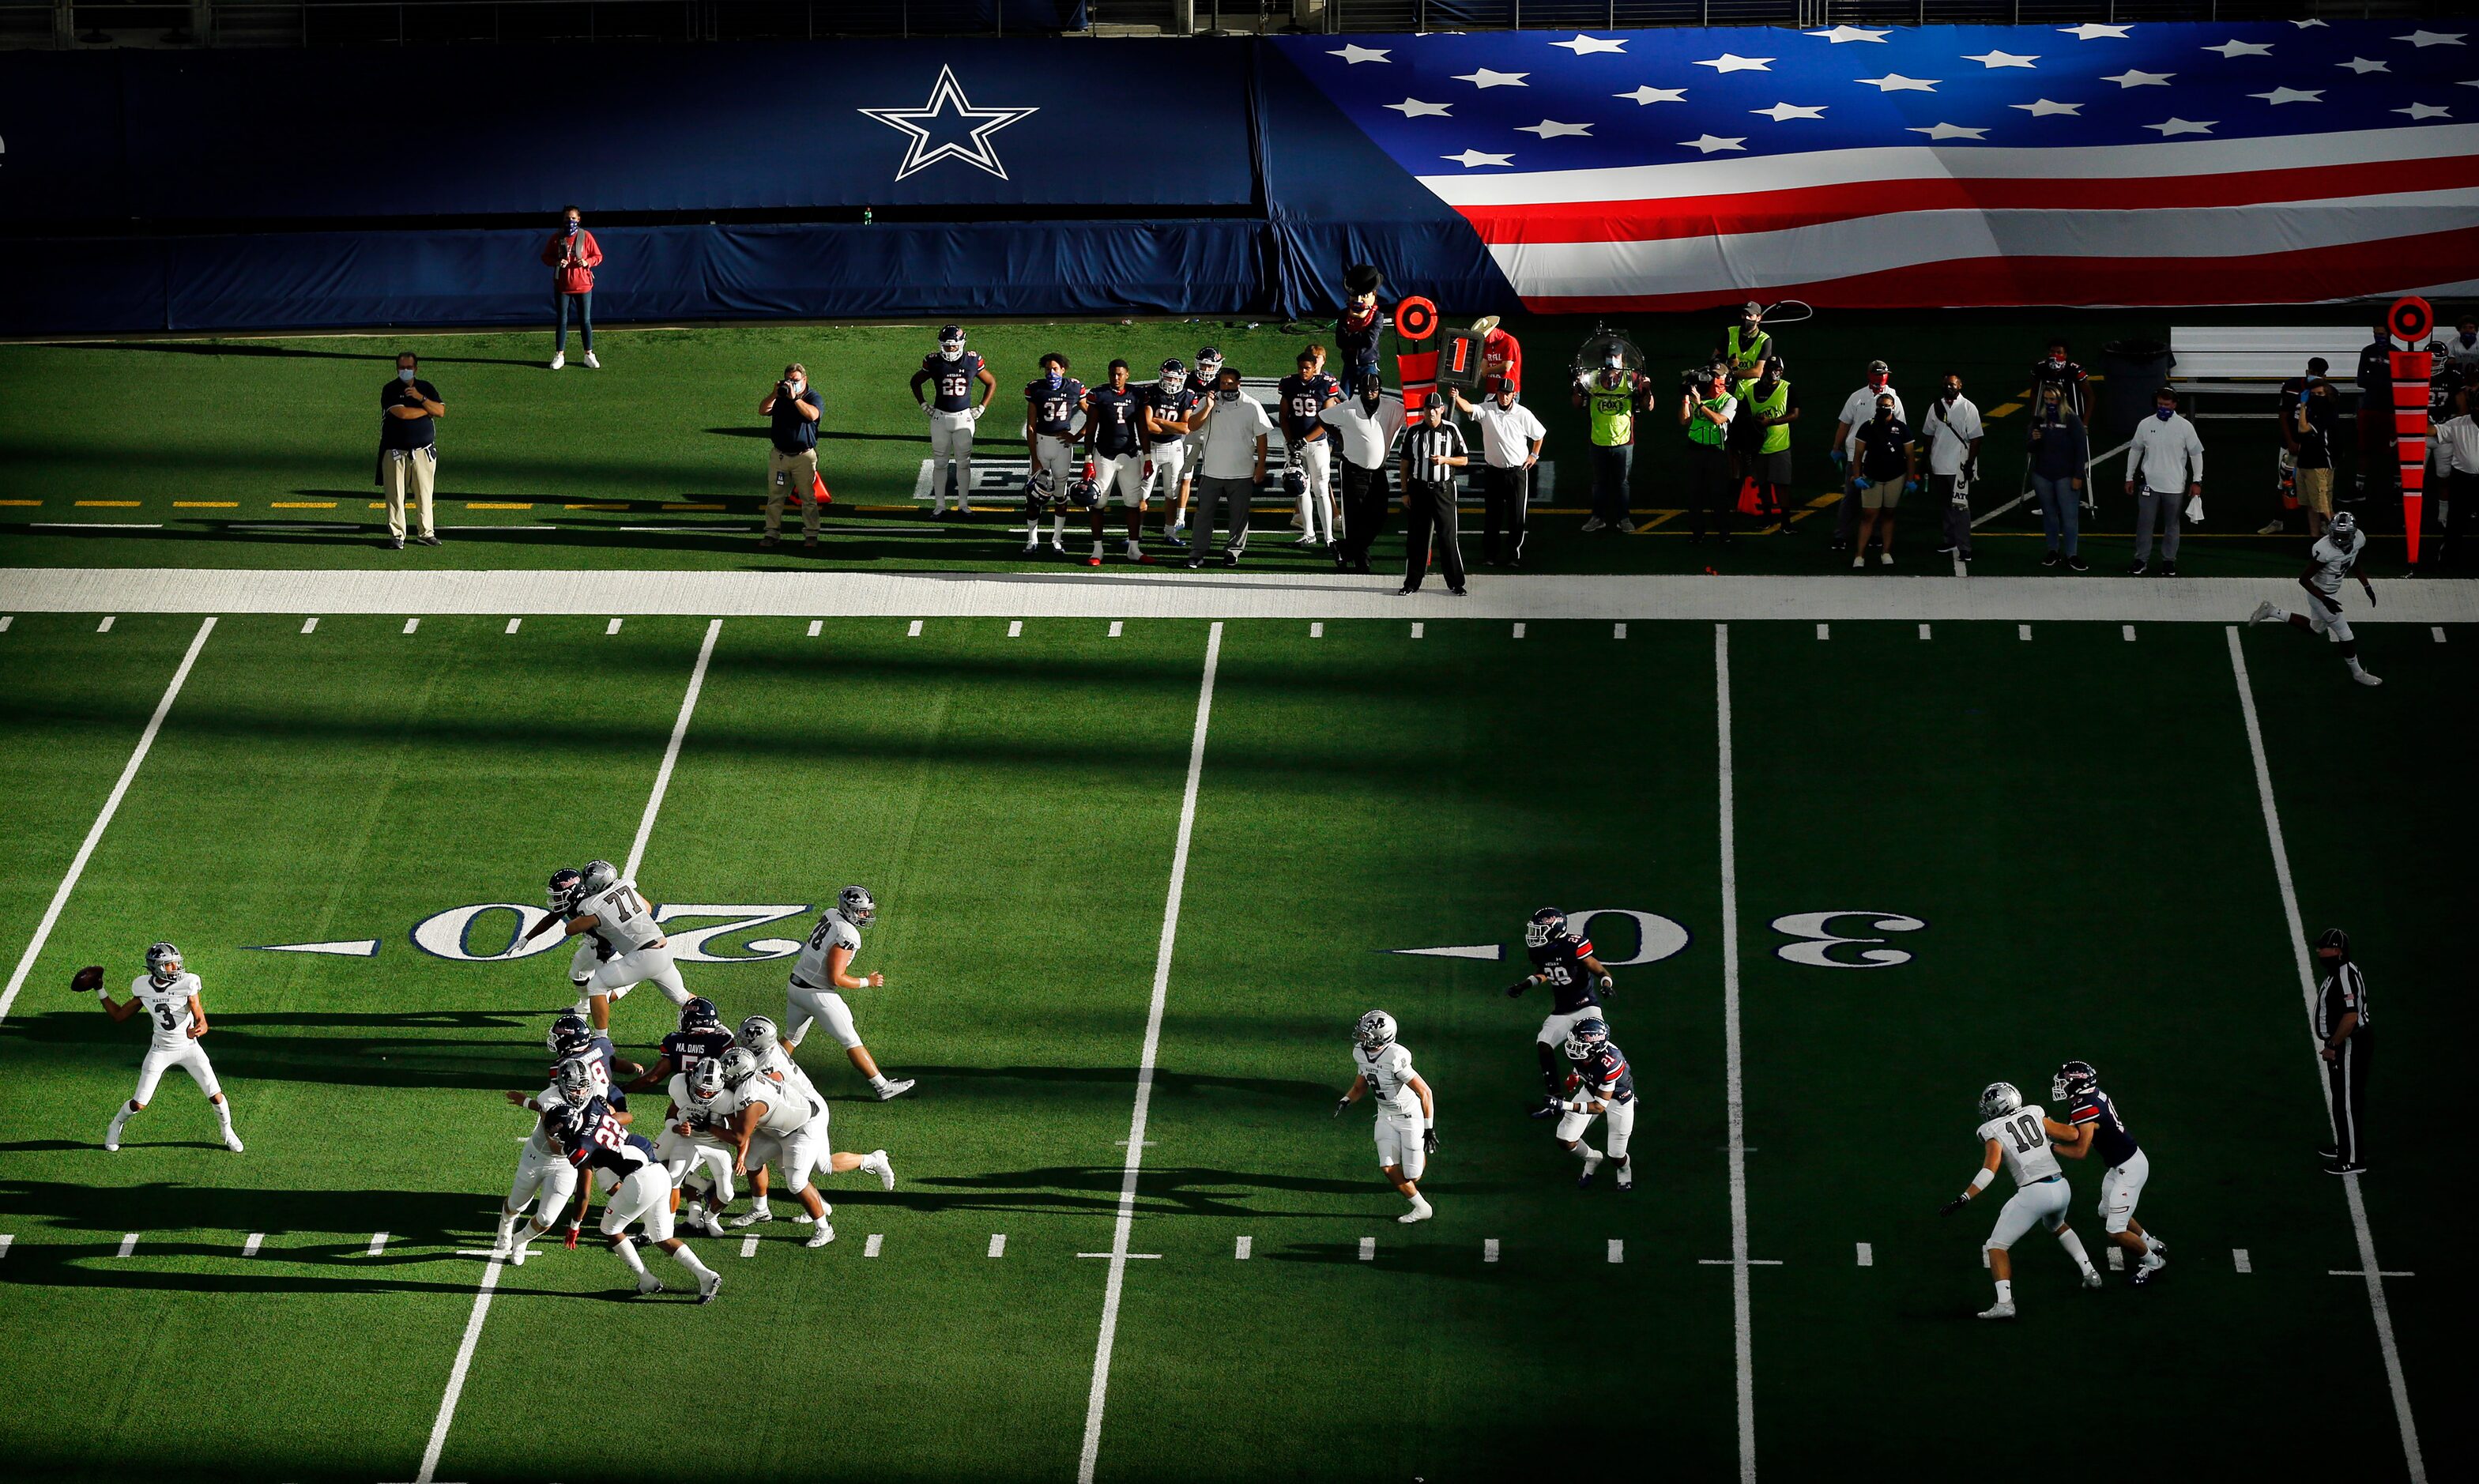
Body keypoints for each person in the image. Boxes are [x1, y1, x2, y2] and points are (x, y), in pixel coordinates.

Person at [1938, 1081, 2103, 1320]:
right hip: (2061, 1186)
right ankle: (2091, 1273)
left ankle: (2005, 1303)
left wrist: (1965, 1197)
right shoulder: (2034, 1112)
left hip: (2034, 1193)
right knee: (2057, 1225)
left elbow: (1990, 1170)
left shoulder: (1992, 1129)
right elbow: (2073, 1134)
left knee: (1996, 1246)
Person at [712, 1047, 891, 1250]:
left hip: (802, 1128)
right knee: (752, 1161)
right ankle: (760, 1209)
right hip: (780, 1126)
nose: (724, 1078)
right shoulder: (751, 1081)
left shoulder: (749, 1096)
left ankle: (825, 1229)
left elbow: (739, 1136)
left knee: (800, 1180)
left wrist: (707, 1127)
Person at [556, 1087, 723, 1300]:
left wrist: (574, 1226)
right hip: (658, 1171)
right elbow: (622, 1115)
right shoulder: (594, 1111)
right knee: (662, 1237)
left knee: (609, 1228)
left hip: (641, 1178)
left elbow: (584, 1192)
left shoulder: (580, 1144)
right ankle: (707, 1276)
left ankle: (646, 1280)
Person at [81, 943, 243, 1154]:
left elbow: (200, 1017)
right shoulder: (143, 987)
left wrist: (200, 1028)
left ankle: (228, 1131)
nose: (176, 967)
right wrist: (99, 988)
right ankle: (115, 1125)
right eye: (170, 964)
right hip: (160, 1050)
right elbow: (119, 1016)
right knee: (139, 1104)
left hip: (189, 1049)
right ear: (157, 967)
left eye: (176, 962)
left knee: (216, 1095)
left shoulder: (188, 983)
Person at [521, 861, 691, 1028]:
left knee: (597, 986)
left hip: (635, 954)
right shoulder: (624, 888)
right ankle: (715, 1025)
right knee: (682, 997)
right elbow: (647, 908)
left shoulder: (593, 906)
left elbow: (570, 929)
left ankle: (601, 1039)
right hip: (662, 948)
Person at [782, 886, 914, 1100]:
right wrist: (867, 982)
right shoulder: (848, 934)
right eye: (862, 911)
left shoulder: (830, 913)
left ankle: (761, 1077)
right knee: (851, 1040)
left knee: (791, 1038)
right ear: (850, 909)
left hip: (796, 985)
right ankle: (883, 1087)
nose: (867, 915)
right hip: (817, 993)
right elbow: (837, 978)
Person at [2045, 1061, 2167, 1286]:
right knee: (2105, 1211)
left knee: (2115, 1230)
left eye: (2065, 1082)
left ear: (2077, 1084)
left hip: (2129, 1169)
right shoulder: (2092, 1097)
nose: (2061, 1085)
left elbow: (2081, 1149)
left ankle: (2153, 1262)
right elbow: (2076, 1131)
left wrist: (2051, 1146)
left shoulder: (2085, 1106)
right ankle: (2149, 1242)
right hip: (2123, 1164)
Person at [2247, 510, 2382, 686]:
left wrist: (2366, 585)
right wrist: (2325, 600)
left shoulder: (2358, 540)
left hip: (2329, 594)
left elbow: (2352, 560)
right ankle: (2357, 673)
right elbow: (2303, 579)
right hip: (2320, 594)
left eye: (2344, 535)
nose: (2340, 540)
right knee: (2346, 635)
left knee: (2315, 629)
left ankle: (2271, 610)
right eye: (2338, 535)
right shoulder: (2324, 550)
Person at [1508, 908, 1617, 1111]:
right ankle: (1554, 1098)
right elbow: (1545, 972)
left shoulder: (1574, 946)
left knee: (1601, 1048)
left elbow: (1599, 969)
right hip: (1563, 1009)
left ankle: (1620, 1090)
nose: (1535, 934)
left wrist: (1606, 983)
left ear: (1555, 929)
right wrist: (1524, 985)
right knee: (1544, 1043)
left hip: (1586, 1006)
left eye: (1540, 929)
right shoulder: (1539, 950)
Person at [1333, 1010, 1436, 1224]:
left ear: (1380, 1037)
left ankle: (1414, 1158)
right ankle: (1422, 1207)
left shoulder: (1395, 1057)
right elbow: (1360, 1087)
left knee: (1413, 1175)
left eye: (1366, 1034)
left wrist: (1428, 1128)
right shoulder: (1360, 1053)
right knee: (1388, 1168)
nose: (1361, 1037)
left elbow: (1425, 1092)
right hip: (1385, 1115)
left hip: (1409, 1117)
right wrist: (1346, 1100)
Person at [1449, 381, 1544, 567]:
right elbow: (1469, 409)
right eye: (1502, 393)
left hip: (1517, 472)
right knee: (1493, 515)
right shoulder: (1488, 409)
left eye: (1508, 393)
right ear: (1497, 393)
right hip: (1493, 472)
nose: (1505, 396)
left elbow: (1539, 435)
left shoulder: (1523, 414)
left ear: (1514, 394)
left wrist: (1534, 455)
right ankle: (1489, 555)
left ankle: (1513, 555)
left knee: (1516, 516)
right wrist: (1456, 397)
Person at [1187, 363, 1271, 570]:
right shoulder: (1210, 402)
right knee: (1203, 514)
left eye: (1230, 383)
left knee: (1239, 516)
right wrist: (1207, 407)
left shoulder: (1252, 405)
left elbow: (1261, 436)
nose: (1226, 387)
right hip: (1211, 470)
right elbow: (1192, 425)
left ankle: (1233, 552)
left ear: (1239, 384)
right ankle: (1198, 552)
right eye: (1223, 383)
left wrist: (1261, 466)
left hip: (1241, 471)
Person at [1320, 370, 1405, 574]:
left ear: (1380, 390)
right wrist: (1339, 438)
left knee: (1379, 515)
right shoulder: (1348, 408)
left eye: (1374, 390)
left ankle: (1345, 549)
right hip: (1353, 470)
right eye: (1366, 390)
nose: (1370, 394)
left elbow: (1414, 412)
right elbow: (1322, 417)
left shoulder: (1392, 407)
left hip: (1378, 472)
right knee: (1356, 517)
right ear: (1360, 390)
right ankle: (1360, 560)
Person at [911, 326, 995, 516]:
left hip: (964, 418)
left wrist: (982, 406)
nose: (949, 350)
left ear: (962, 344)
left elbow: (991, 382)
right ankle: (940, 506)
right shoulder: (933, 361)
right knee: (940, 463)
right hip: (940, 417)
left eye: (953, 346)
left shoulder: (972, 360)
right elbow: (915, 381)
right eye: (946, 347)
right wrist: (923, 404)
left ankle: (963, 505)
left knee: (964, 463)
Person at [2124, 386, 2204, 577]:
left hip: (2174, 486)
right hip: (2149, 485)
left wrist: (2197, 481)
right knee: (2145, 524)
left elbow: (2196, 454)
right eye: (2160, 404)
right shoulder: (2145, 424)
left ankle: (2169, 562)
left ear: (2174, 405)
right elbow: (2135, 450)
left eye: (2167, 405)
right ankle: (2141, 560)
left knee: (2172, 526)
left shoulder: (2185, 427)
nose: (2163, 408)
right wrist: (2129, 476)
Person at [2311, 928, 2372, 1175]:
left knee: (2347, 1102)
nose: (2318, 951)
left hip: (2349, 1044)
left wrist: (2333, 1045)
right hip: (2347, 1044)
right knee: (2341, 1099)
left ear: (2337, 950)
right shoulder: (2340, 971)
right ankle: (2346, 1146)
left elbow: (2350, 1017)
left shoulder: (2344, 975)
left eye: (2323, 947)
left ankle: (2353, 1160)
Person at [1550, 1019, 1637, 1191]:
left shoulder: (1611, 1063)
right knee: (1565, 1139)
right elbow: (1582, 1063)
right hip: (1592, 1088)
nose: (1572, 1047)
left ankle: (1624, 1169)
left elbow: (1598, 1106)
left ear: (1594, 1047)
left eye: (1579, 1044)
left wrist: (1565, 1105)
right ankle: (1592, 1158)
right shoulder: (1583, 1052)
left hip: (1618, 1099)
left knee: (1616, 1155)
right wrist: (1575, 1075)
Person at [1081, 359, 1152, 567]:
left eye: (1120, 374)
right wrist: (1087, 459)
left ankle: (1134, 549)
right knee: (1098, 502)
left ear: (1127, 374)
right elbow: (1091, 428)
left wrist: (1147, 457)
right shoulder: (1100, 395)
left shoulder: (1136, 395)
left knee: (1133, 503)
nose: (1116, 378)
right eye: (1112, 374)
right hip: (1104, 455)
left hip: (1129, 454)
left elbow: (1142, 428)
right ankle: (1097, 549)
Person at [1396, 402, 1469, 595]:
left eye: (1436, 408)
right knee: (1416, 538)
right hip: (1419, 490)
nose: (1432, 412)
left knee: (1447, 537)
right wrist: (1404, 492)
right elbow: (1404, 464)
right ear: (1424, 411)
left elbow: (1464, 459)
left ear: (1442, 410)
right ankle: (1412, 582)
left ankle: (1456, 583)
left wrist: (1446, 460)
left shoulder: (1451, 429)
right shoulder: (1413, 431)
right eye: (1429, 408)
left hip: (1443, 490)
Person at [1574, 348, 1648, 533]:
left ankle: (1623, 519)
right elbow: (1576, 403)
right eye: (1610, 356)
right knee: (1599, 482)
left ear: (1623, 358)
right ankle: (1597, 518)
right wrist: (1576, 387)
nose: (1613, 360)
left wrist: (1647, 390)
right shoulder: (1591, 378)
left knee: (1622, 483)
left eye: (1616, 356)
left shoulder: (1632, 378)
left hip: (1623, 442)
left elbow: (1649, 405)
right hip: (1598, 440)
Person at [1832, 360, 1903, 549]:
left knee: (1879, 499)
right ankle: (1841, 536)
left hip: (1882, 457)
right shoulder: (1857, 397)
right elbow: (1844, 424)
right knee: (1851, 498)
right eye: (1879, 375)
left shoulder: (1893, 399)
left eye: (1884, 375)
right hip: (1856, 456)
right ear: (1870, 375)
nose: (1882, 378)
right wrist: (1836, 448)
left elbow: (1901, 428)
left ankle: (1876, 536)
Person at [1276, 346, 1343, 547]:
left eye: (1307, 368)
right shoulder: (1289, 384)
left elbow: (1326, 419)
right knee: (1301, 488)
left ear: (1315, 367)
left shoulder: (1325, 385)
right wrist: (1290, 442)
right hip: (1295, 444)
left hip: (1317, 444)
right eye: (1300, 368)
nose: (1303, 371)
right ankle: (1309, 534)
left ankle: (1329, 537)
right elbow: (1283, 417)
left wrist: (1304, 440)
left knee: (1321, 488)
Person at [377, 351, 443, 551]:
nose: (405, 371)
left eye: (409, 367)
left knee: (425, 494)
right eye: (402, 367)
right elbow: (402, 414)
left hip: (423, 453)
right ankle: (397, 535)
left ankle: (426, 533)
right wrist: (426, 410)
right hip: (396, 452)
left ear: (416, 368)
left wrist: (421, 398)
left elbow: (440, 411)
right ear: (397, 369)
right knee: (395, 495)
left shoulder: (426, 388)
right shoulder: (390, 389)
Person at [1022, 352, 1086, 558]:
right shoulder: (1036, 389)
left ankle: (1057, 539)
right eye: (1048, 369)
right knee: (1034, 495)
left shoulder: (1074, 387)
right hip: (1041, 442)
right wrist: (1035, 458)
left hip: (1062, 446)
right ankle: (1032, 539)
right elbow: (1031, 425)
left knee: (1060, 494)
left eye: (1055, 369)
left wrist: (1076, 437)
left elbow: (1093, 415)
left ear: (1063, 370)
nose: (1051, 373)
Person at [2264, 355, 2332, 535]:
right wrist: (2291, 442)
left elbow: (2327, 424)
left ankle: (2326, 523)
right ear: (2307, 371)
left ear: (2324, 376)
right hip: (2292, 443)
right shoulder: (2291, 387)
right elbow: (2284, 416)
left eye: (2319, 373)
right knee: (2284, 483)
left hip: (2315, 447)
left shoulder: (2327, 393)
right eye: (2312, 372)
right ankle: (2278, 521)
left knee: (2320, 486)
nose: (2314, 375)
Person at [758, 363, 823, 552]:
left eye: (795, 381)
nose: (791, 384)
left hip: (803, 457)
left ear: (805, 380)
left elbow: (812, 415)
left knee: (808, 498)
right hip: (780, 456)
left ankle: (811, 534)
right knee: (775, 496)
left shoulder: (813, 397)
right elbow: (763, 410)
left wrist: (795, 399)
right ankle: (771, 533)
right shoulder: (780, 397)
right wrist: (774, 393)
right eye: (789, 380)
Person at [1921, 372, 1985, 563]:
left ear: (1960, 386)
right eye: (1947, 384)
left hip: (1958, 466)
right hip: (1939, 464)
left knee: (1960, 506)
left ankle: (1965, 547)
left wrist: (1969, 464)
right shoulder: (1935, 407)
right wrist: (1925, 461)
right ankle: (1949, 540)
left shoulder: (1968, 407)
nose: (1949, 387)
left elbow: (1976, 438)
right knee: (1945, 506)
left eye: (1953, 384)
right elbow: (1928, 435)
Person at [1730, 356, 1798, 534]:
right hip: (1758, 447)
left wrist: (1772, 421)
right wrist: (1754, 424)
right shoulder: (1751, 391)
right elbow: (1742, 417)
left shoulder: (1787, 388)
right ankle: (1767, 518)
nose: (1773, 372)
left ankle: (1785, 522)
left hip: (1779, 446)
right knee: (1763, 484)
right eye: (1770, 368)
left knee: (1782, 485)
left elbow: (1794, 414)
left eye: (1777, 369)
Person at [1848, 392, 1916, 567]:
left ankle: (1886, 552)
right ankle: (1860, 555)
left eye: (1887, 406)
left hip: (1895, 477)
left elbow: (1909, 455)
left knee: (1889, 513)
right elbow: (1858, 455)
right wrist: (1857, 476)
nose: (1884, 409)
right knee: (1868, 515)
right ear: (1876, 408)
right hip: (1872, 476)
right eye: (1881, 406)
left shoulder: (1901, 428)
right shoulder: (1867, 427)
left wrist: (1910, 479)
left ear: (1893, 407)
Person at [1140, 358, 1204, 540]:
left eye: (1175, 379)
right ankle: (1137, 533)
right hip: (1152, 448)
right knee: (1143, 494)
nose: (1171, 382)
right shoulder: (1151, 392)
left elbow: (1185, 428)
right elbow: (1147, 426)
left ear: (1182, 379)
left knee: (1171, 493)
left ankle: (1170, 532)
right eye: (1168, 378)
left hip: (1174, 449)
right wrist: (1172, 426)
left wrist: (1159, 421)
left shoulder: (1188, 395)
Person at [2026, 383, 2088, 570]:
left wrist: (2078, 475)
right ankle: (2053, 550)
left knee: (2069, 517)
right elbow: (2030, 448)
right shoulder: (2039, 420)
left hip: (2065, 475)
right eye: (2046, 399)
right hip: (2043, 474)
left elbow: (2081, 449)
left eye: (2052, 399)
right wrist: (2035, 440)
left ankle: (2072, 554)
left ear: (2060, 399)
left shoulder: (2071, 419)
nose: (2049, 402)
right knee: (2049, 515)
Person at [1168, 346, 1224, 547]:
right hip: (1191, 432)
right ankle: (1180, 517)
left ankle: (1207, 516)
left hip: (1213, 433)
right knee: (1185, 476)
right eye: (1203, 365)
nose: (1206, 369)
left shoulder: (1222, 382)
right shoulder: (1188, 379)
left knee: (1212, 478)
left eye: (1210, 365)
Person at [1677, 363, 1738, 544]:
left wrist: (1700, 404)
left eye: (1718, 377)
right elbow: (1684, 420)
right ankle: (1697, 533)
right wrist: (1686, 401)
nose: (1715, 380)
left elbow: (1719, 420)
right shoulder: (1699, 395)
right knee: (1695, 494)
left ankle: (1724, 532)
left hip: (1716, 452)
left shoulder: (1729, 400)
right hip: (1695, 449)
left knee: (1718, 494)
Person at [542, 205, 601, 371]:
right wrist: (556, 262)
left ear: (579, 219)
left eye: (574, 218)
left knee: (585, 320)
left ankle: (588, 354)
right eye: (568, 218)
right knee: (562, 320)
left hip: (583, 286)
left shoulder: (586, 236)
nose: (571, 222)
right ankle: (559, 355)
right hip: (563, 286)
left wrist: (588, 262)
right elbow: (545, 257)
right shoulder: (557, 238)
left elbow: (598, 256)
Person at [2428, 383, 2477, 571]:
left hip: (2468, 478)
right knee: (2456, 522)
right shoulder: (2458, 424)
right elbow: (2433, 431)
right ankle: (2449, 557)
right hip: (2462, 479)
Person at [2288, 376, 2343, 540]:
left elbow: (2303, 429)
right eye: (2314, 395)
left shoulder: (2328, 413)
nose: (2317, 398)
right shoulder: (2310, 412)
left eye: (2320, 394)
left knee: (2324, 506)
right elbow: (2297, 434)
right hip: (2305, 463)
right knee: (2310, 506)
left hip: (2320, 465)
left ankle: (2344, 537)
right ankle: (2314, 539)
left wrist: (2304, 405)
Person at [2353, 311, 2396, 507]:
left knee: (2391, 450)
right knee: (2364, 448)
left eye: (2381, 334)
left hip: (2389, 410)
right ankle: (2358, 488)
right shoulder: (2367, 351)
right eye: (2375, 334)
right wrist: (2384, 382)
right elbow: (2360, 380)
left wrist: (2376, 381)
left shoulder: (2397, 353)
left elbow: (2398, 383)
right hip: (2369, 407)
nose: (2378, 337)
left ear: (2389, 334)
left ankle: (2394, 489)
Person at [1336, 264, 1387, 379]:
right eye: (1354, 296)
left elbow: (1369, 340)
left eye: (1364, 296)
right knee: (1343, 395)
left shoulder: (1377, 317)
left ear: (1373, 296)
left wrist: (1350, 337)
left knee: (1370, 394)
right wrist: (1359, 337)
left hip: (1368, 362)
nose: (1359, 301)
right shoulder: (1344, 314)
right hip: (1349, 363)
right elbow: (1340, 341)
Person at [2029, 338, 2089, 420]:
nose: (2054, 355)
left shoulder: (2075, 371)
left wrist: (2085, 423)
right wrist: (2035, 416)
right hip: (2049, 414)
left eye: (2058, 352)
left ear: (2065, 355)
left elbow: (2089, 396)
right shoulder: (2040, 368)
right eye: (2052, 352)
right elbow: (2034, 392)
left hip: (2071, 414)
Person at [1718, 301, 1773, 381]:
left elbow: (1758, 371)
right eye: (1744, 315)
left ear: (1758, 318)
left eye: (1750, 315)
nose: (1746, 318)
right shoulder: (1730, 332)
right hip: (1729, 386)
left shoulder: (1765, 340)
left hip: (1751, 389)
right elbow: (1715, 357)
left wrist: (1731, 373)